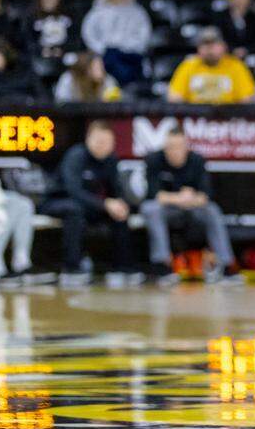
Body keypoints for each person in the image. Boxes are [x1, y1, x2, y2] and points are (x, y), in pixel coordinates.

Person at [38, 120, 137, 286]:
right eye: (99, 141)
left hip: (90, 206)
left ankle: (122, 268)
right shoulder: (76, 156)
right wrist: (105, 204)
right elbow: (73, 191)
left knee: (120, 212)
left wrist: (121, 204)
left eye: (106, 142)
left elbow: (117, 191)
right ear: (88, 139)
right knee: (74, 209)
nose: (102, 146)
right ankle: (72, 268)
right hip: (57, 202)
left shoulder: (111, 160)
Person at [140, 128, 234, 285]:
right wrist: (180, 197)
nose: (175, 151)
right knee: (150, 209)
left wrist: (190, 199)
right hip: (168, 210)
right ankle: (162, 266)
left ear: (186, 147)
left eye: (179, 146)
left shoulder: (197, 160)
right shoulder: (153, 160)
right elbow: (154, 195)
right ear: (165, 147)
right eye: (170, 147)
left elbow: (205, 196)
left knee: (212, 210)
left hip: (192, 209)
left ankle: (226, 266)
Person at [81, 0, 151, 86]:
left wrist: (123, 48)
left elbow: (143, 37)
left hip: (130, 56)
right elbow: (88, 34)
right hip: (105, 56)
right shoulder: (97, 12)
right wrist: (103, 49)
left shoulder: (138, 13)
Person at [168, 27, 255, 105]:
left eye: (214, 44)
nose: (209, 49)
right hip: (195, 119)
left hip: (228, 119)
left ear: (224, 46)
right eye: (205, 44)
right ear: (198, 48)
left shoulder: (236, 66)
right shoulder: (188, 65)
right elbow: (174, 98)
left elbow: (247, 99)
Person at [54, 51, 121, 103]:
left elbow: (114, 104)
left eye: (102, 67)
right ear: (87, 69)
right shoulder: (69, 79)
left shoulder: (108, 80)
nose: (102, 71)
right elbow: (61, 103)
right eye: (97, 68)